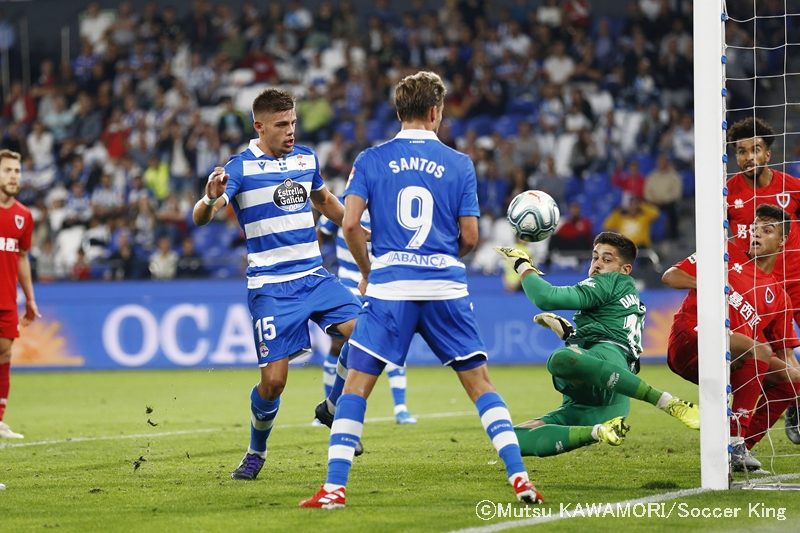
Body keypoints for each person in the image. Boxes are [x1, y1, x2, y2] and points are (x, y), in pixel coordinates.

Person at [300, 71, 543, 509]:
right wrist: (443, 256)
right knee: (480, 385)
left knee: (355, 387)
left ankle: (334, 489)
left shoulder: (371, 159)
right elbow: (470, 237)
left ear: (398, 113)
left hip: (390, 287)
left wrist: (368, 270)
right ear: (436, 112)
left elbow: (351, 224)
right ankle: (520, 478)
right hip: (445, 286)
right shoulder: (459, 163)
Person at [193, 88, 364, 481]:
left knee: (369, 335)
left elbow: (324, 202)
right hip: (271, 287)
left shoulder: (305, 158)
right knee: (273, 383)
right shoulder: (239, 168)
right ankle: (256, 451)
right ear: (259, 126)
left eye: (293, 123)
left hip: (315, 278)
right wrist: (208, 198)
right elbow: (203, 215)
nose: (291, 131)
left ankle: (333, 409)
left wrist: (361, 229)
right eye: (282, 125)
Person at [494, 232, 699, 461]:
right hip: (609, 404)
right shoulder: (626, 293)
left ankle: (666, 402)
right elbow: (610, 326)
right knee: (508, 442)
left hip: (607, 360)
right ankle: (598, 431)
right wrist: (574, 335)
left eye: (607, 259)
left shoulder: (611, 282)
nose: (598, 264)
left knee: (559, 360)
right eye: (595, 257)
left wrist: (522, 264)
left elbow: (545, 297)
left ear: (625, 270)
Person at [663, 204, 800, 470]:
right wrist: (709, 285)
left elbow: (785, 355)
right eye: (754, 228)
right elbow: (671, 276)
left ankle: (737, 448)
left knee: (793, 380)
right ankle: (736, 440)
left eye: (767, 230)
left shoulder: (779, 297)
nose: (756, 234)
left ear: (782, 241)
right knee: (759, 349)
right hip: (690, 339)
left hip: (729, 357)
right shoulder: (725, 253)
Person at [726, 117, 800, 445]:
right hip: (756, 288)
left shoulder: (792, 188)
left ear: (768, 154)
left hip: (795, 282)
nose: (748, 157)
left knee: (787, 356)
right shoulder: (726, 193)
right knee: (774, 359)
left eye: (755, 149)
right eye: (741, 151)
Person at [317, 209, 417, 425]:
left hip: (378, 282)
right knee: (338, 344)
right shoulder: (344, 202)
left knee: (391, 341)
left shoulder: (388, 204)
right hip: (346, 284)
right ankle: (329, 405)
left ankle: (401, 408)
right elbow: (323, 230)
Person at [0, 149, 40, 439]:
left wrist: (30, 298)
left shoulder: (23, 216)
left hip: (6, 299)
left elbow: (23, 257)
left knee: (4, 353)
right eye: (8, 170)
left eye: (17, 171)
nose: (13, 176)